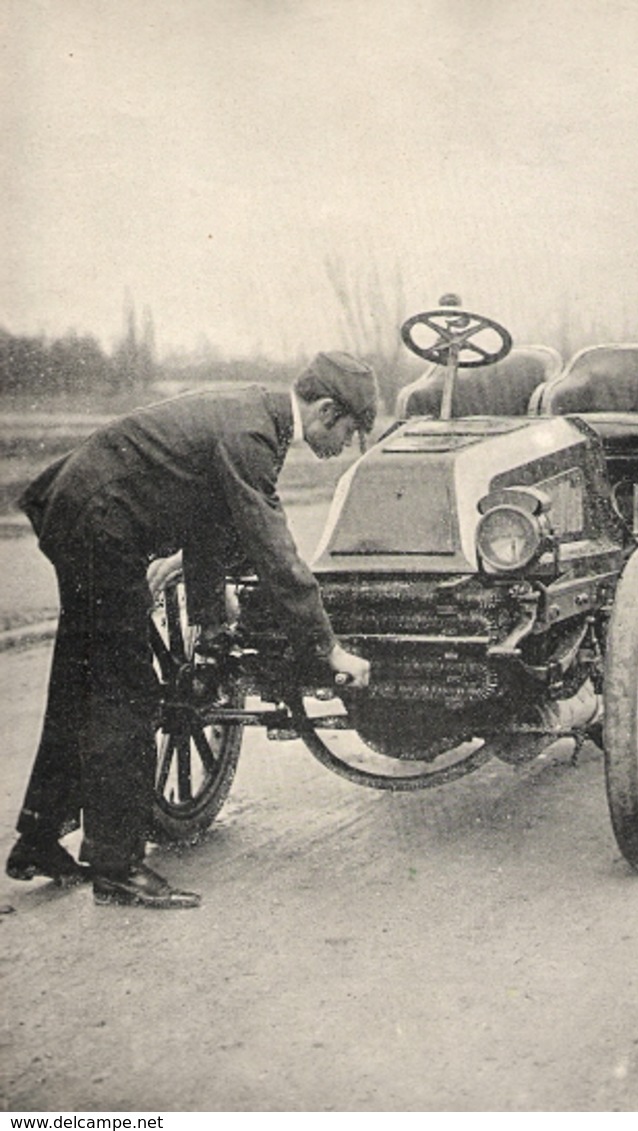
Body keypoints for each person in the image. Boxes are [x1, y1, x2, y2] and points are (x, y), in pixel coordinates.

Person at [5, 351, 376, 909]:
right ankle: (117, 865)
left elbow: (207, 519)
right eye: (350, 431)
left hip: (78, 508)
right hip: (101, 527)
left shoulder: (255, 412)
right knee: (125, 694)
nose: (344, 445)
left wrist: (209, 609)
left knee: (81, 682)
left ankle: (37, 839)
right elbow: (273, 550)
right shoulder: (254, 435)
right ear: (326, 410)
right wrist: (327, 649)